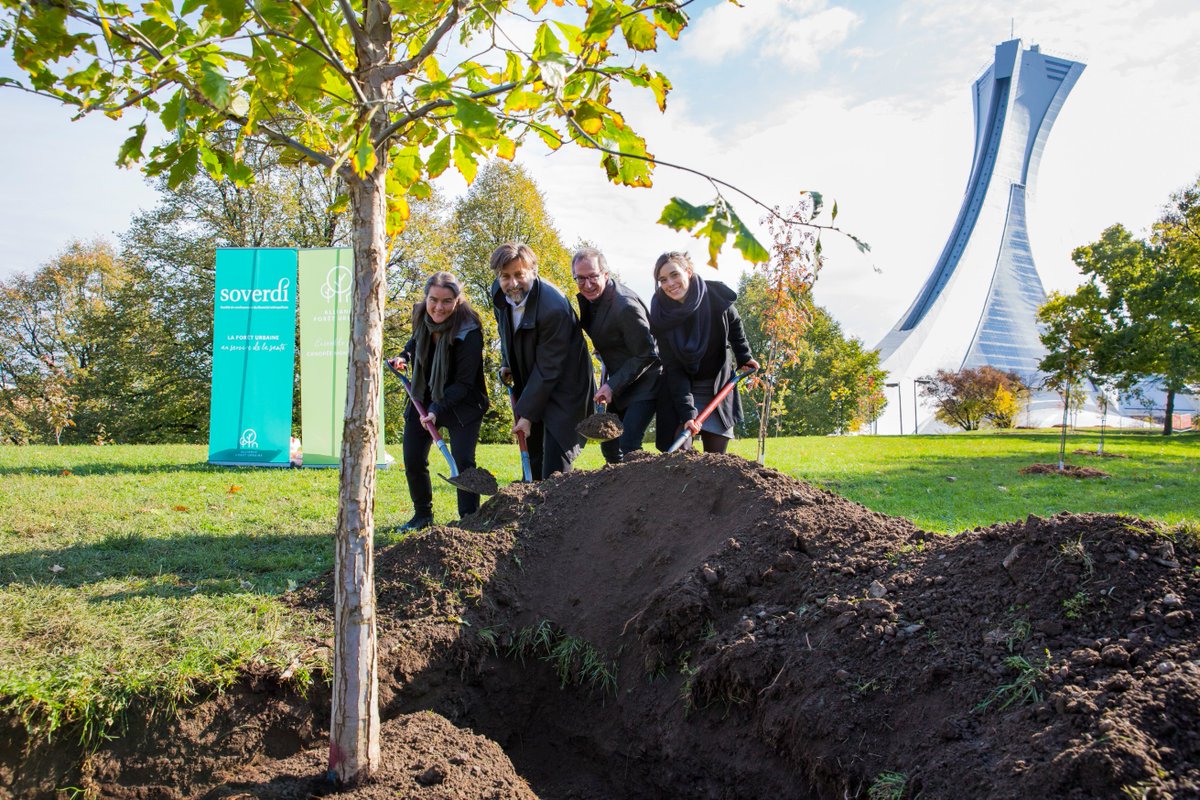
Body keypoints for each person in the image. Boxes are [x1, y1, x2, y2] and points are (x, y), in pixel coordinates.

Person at [389, 271, 489, 531]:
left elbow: (465, 383)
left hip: (462, 402)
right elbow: (415, 342)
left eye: (446, 301)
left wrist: (436, 409)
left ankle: (469, 520)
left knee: (463, 462)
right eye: (433, 299)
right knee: (412, 459)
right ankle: (422, 515)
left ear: (457, 301)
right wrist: (403, 356)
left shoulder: (469, 330)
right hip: (422, 396)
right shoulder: (422, 315)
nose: (438, 307)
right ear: (426, 297)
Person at [490, 242, 593, 478]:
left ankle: (559, 510)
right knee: (533, 451)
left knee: (555, 465)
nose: (512, 283)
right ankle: (532, 511)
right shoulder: (499, 291)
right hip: (533, 379)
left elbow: (549, 367)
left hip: (567, 386)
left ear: (533, 272)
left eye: (519, 274)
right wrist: (507, 360)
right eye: (505, 276)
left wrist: (526, 415)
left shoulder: (553, 307)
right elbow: (503, 329)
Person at [649, 251, 759, 454]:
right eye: (662, 279)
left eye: (674, 274)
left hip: (718, 386)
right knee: (679, 454)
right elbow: (674, 369)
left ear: (688, 272)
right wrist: (689, 413)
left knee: (716, 461)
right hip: (683, 390)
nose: (670, 283)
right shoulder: (661, 316)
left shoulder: (715, 298)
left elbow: (734, 325)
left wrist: (744, 355)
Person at [572, 246, 661, 463]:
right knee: (609, 443)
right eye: (580, 279)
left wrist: (611, 386)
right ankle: (614, 496)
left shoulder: (625, 306)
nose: (587, 284)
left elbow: (648, 354)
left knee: (628, 443)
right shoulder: (595, 299)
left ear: (605, 274)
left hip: (646, 382)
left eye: (593, 276)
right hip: (622, 379)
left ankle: (641, 494)